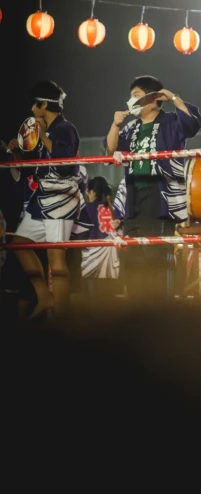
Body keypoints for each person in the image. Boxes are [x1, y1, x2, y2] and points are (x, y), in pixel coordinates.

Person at [104, 75, 201, 302]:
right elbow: (110, 152)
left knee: (157, 258)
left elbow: (192, 125)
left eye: (136, 96)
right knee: (133, 259)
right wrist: (115, 124)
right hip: (133, 199)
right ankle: (136, 313)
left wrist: (173, 97)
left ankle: (162, 315)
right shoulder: (130, 128)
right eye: (131, 97)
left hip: (160, 198)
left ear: (152, 98)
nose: (131, 102)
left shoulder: (170, 122)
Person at [7, 81, 82, 320]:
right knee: (19, 243)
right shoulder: (43, 132)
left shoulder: (66, 128)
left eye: (34, 104)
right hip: (41, 199)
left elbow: (65, 164)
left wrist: (40, 136)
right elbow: (32, 173)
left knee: (56, 259)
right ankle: (44, 296)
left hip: (60, 197)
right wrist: (18, 153)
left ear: (43, 103)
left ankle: (61, 317)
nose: (31, 110)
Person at [81, 176, 124, 302]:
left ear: (93, 192)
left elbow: (80, 232)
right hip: (112, 261)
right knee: (110, 302)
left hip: (91, 260)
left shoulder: (87, 209)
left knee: (92, 302)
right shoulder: (114, 209)